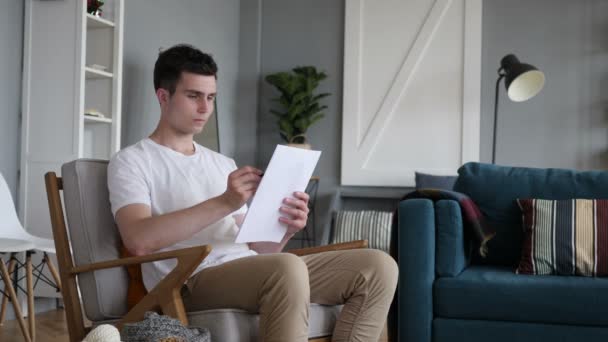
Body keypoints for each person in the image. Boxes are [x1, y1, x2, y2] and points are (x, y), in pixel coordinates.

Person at [108, 44, 398, 342]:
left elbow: (260, 251)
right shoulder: (132, 160)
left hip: (248, 268)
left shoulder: (222, 163)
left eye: (210, 97)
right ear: (163, 96)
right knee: (285, 268)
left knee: (377, 267)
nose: (205, 108)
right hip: (190, 280)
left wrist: (286, 228)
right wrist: (225, 202)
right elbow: (139, 239)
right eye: (193, 96)